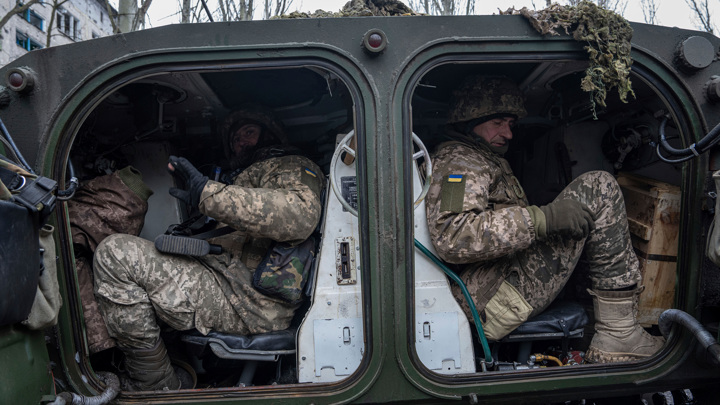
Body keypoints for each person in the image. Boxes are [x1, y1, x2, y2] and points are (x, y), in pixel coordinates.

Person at [425, 76, 664, 363]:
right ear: (470, 119)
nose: (509, 133)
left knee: (580, 222)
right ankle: (619, 332)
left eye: (511, 124)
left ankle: (604, 327)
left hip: (494, 288)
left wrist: (545, 220)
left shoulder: (480, 158)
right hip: (492, 299)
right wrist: (541, 219)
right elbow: (452, 235)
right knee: (598, 186)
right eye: (498, 122)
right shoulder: (459, 162)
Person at [93, 105, 325, 390]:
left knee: (116, 254)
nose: (241, 142)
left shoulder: (291, 165)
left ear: (271, 135)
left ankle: (155, 386)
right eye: (236, 139)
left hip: (249, 301)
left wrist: (208, 193)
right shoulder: (244, 177)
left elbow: (299, 216)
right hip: (227, 282)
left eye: (249, 133)